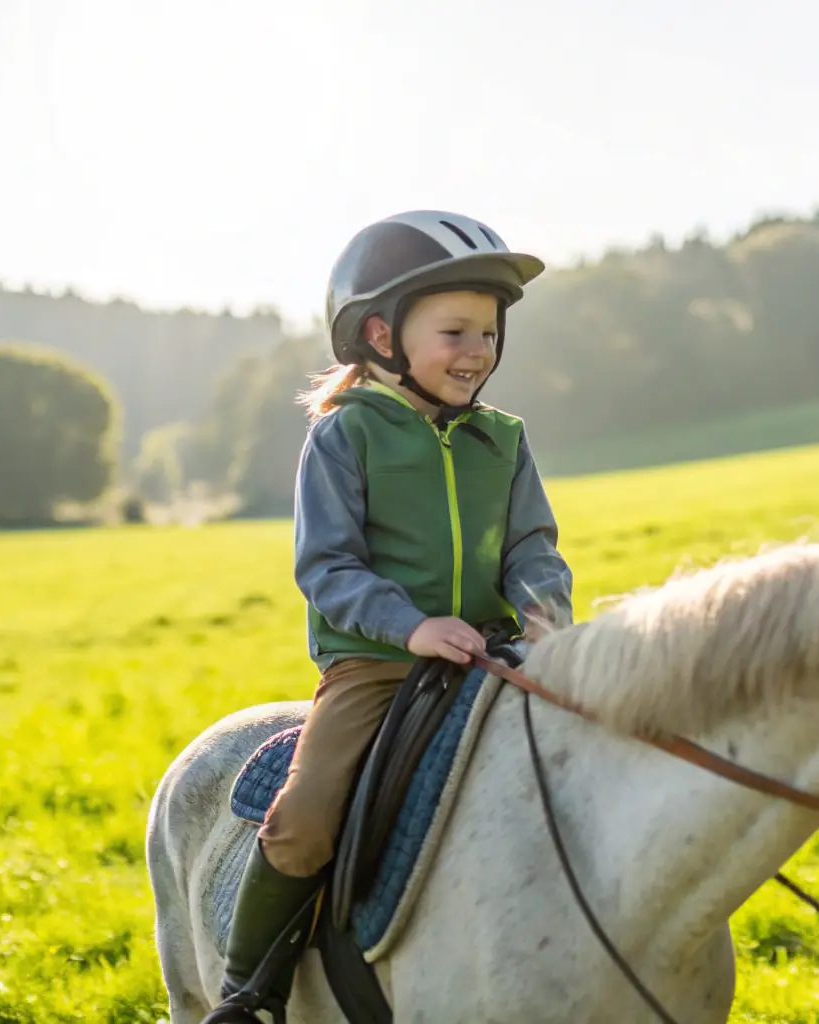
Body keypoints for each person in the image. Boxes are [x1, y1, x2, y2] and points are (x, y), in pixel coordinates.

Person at [202, 210, 575, 1024]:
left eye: (488, 331)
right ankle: (248, 996)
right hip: (376, 666)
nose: (477, 350)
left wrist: (549, 617)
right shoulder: (346, 436)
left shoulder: (503, 442)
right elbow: (327, 568)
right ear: (380, 333)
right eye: (454, 331)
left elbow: (532, 549)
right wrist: (412, 628)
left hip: (495, 654)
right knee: (302, 822)